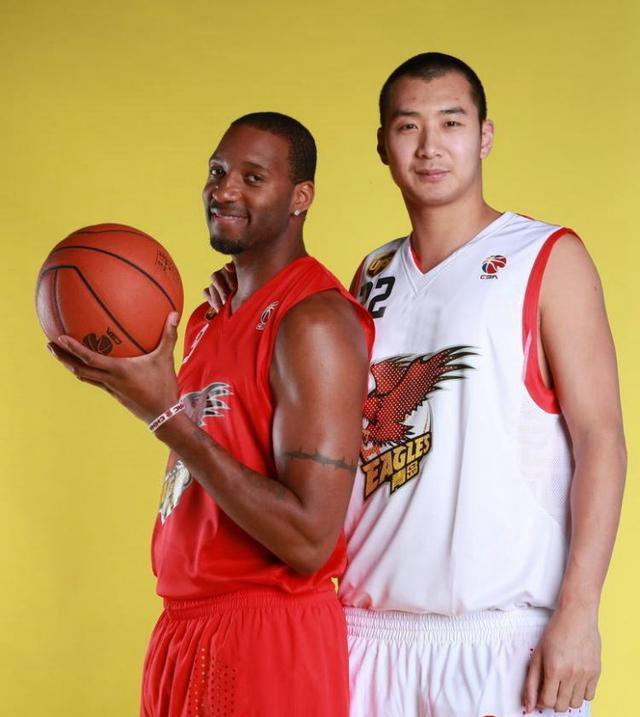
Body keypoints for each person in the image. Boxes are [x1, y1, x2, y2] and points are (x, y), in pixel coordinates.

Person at [206, 54, 626, 717]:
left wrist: (580, 610)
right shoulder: (370, 274)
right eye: (408, 126)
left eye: (451, 123)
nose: (430, 146)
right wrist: (244, 289)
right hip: (367, 635)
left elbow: (601, 439)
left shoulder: (545, 257)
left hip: (497, 636)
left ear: (485, 135)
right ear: (383, 144)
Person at [48, 112, 373, 717]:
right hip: (183, 627)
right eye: (218, 172)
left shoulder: (315, 322)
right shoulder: (206, 316)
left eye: (253, 178)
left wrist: (163, 415)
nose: (224, 190)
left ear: (300, 197)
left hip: (267, 636)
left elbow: (309, 539)